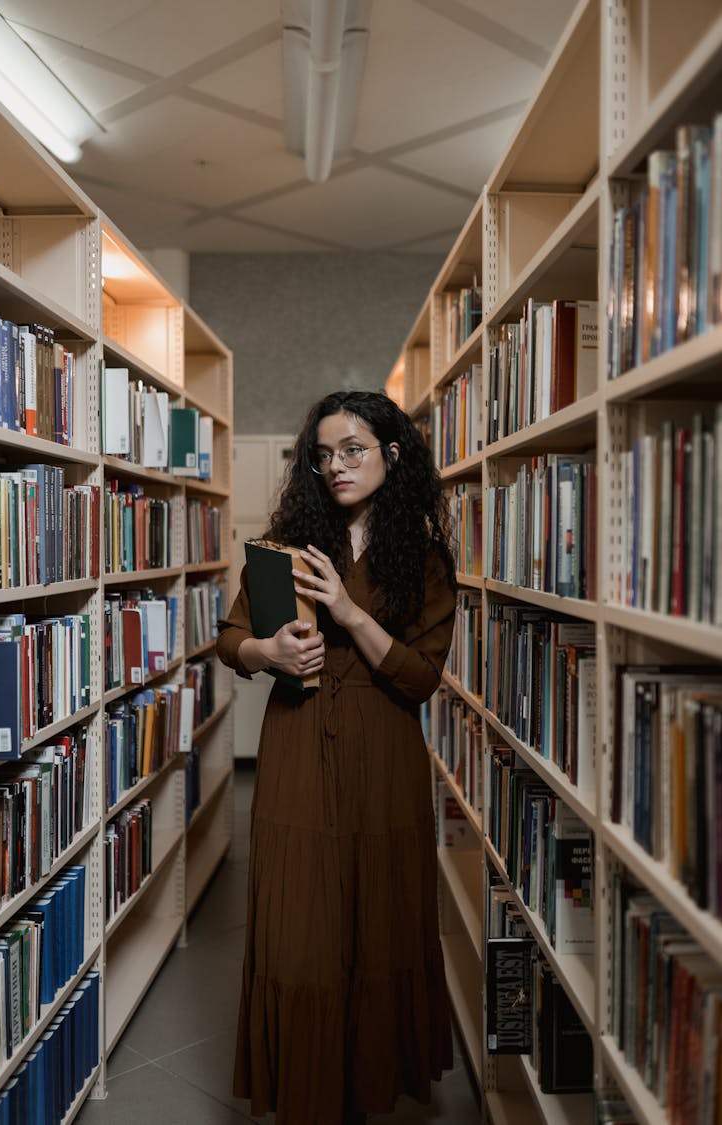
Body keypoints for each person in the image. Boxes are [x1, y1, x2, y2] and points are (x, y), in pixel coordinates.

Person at [216, 389, 458, 1125]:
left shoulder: (421, 559)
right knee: (301, 927)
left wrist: (351, 616)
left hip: (384, 752)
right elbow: (231, 644)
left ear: (391, 453)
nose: (335, 466)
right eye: (322, 455)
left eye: (352, 449)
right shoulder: (285, 545)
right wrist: (271, 650)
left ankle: (371, 1085)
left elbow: (420, 678)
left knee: (379, 920)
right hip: (296, 745)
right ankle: (308, 1092)